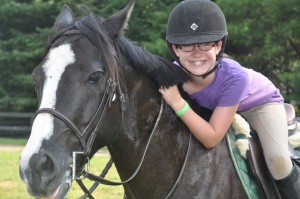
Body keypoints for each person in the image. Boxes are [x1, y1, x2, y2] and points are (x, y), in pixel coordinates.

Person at [159, 0, 300, 198]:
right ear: (175, 49)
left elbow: (212, 137)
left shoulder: (236, 77)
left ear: (218, 46)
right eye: (187, 46)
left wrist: (177, 102)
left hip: (258, 105)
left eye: (205, 44)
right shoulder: (170, 73)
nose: (196, 53)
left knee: (278, 160)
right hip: (218, 106)